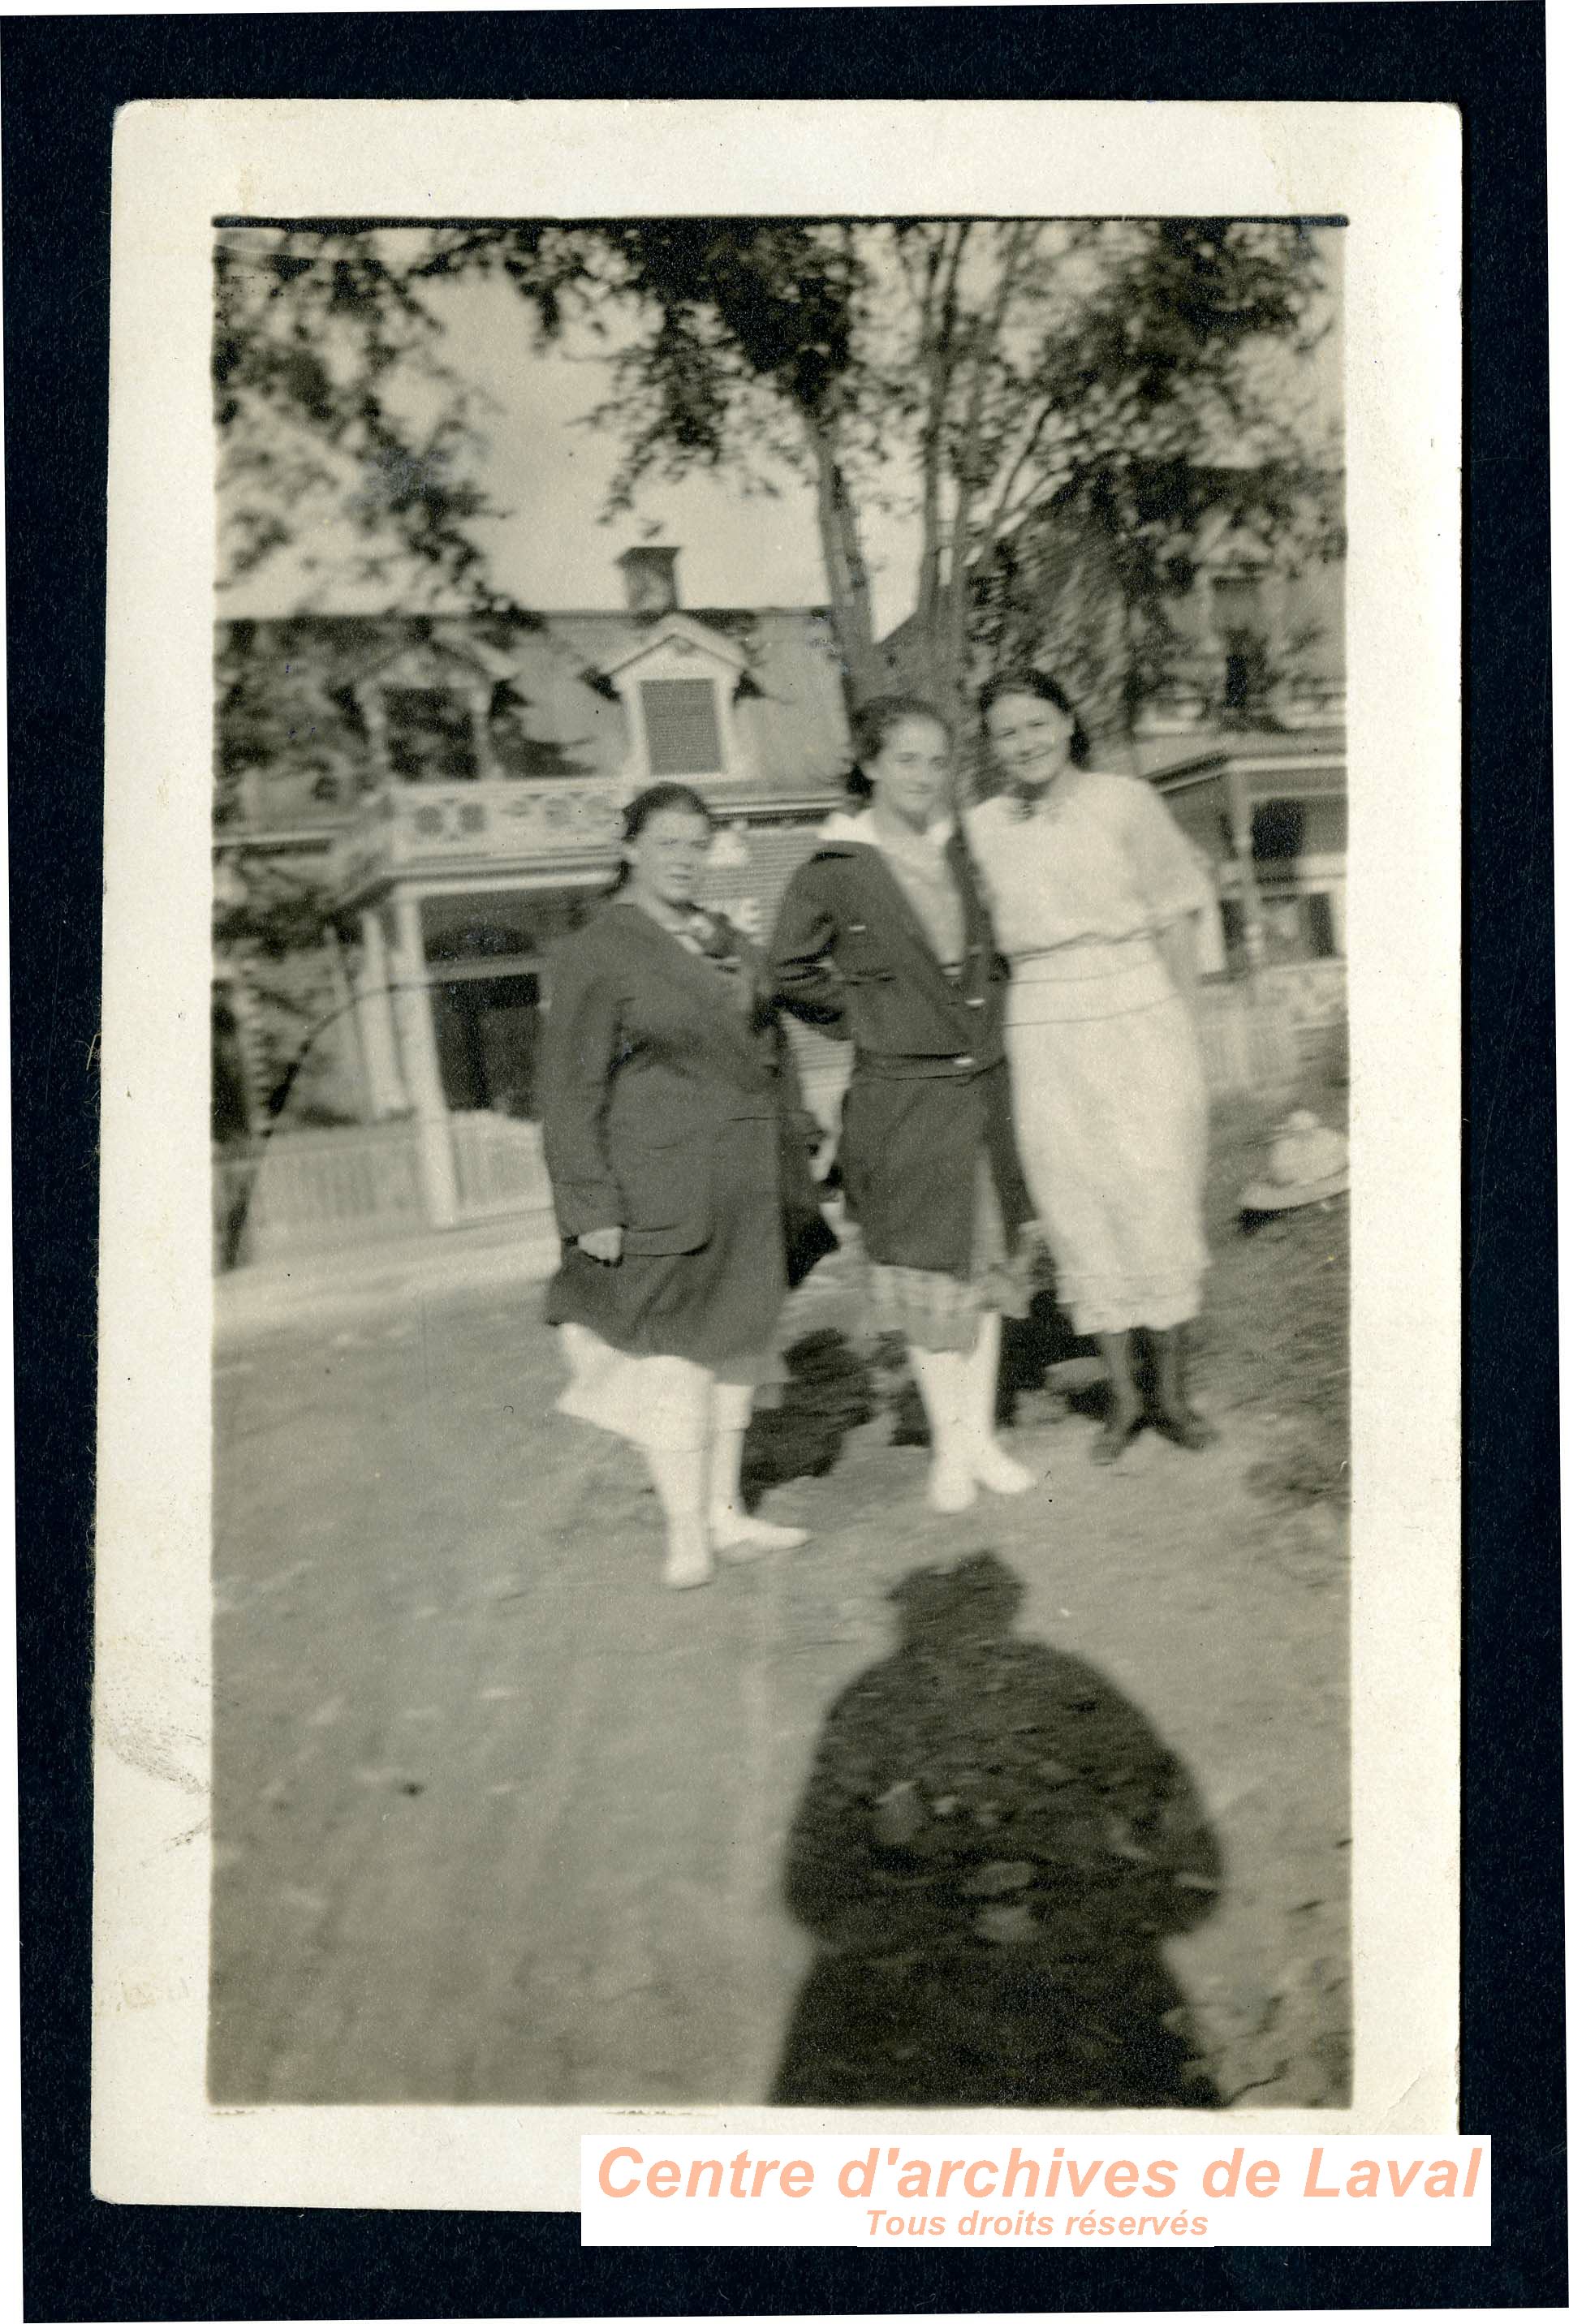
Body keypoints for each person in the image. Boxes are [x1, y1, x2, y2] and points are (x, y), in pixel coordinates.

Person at [540, 781, 834, 1591]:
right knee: (670, 1359)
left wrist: (798, 1140)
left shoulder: (730, 943)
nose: (683, 858)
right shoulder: (598, 949)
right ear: (629, 846)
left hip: (747, 1184)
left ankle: (726, 1512)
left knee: (737, 1348)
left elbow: (772, 1054)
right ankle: (684, 1531)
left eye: (696, 844)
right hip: (657, 1190)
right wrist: (588, 1206)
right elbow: (569, 1092)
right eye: (667, 841)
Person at [769, 695, 1037, 1513]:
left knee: (986, 1268)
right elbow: (787, 968)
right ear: (872, 765)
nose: (923, 775)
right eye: (906, 759)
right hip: (904, 1095)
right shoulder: (835, 867)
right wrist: (867, 1017)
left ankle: (980, 1436)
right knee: (928, 1274)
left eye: (935, 760)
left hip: (982, 1083)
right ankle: (950, 1451)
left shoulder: (959, 853)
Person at [968, 669, 1217, 1462]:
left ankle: (1172, 1396)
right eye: (1007, 732)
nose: (1026, 742)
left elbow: (1178, 915)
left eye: (1038, 722)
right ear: (992, 746)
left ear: (1068, 723)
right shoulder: (981, 827)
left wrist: (1184, 1031)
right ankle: (1124, 1399)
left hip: (1136, 1008)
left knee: (1155, 1189)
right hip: (1042, 1020)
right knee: (1076, 1200)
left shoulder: (1125, 802)